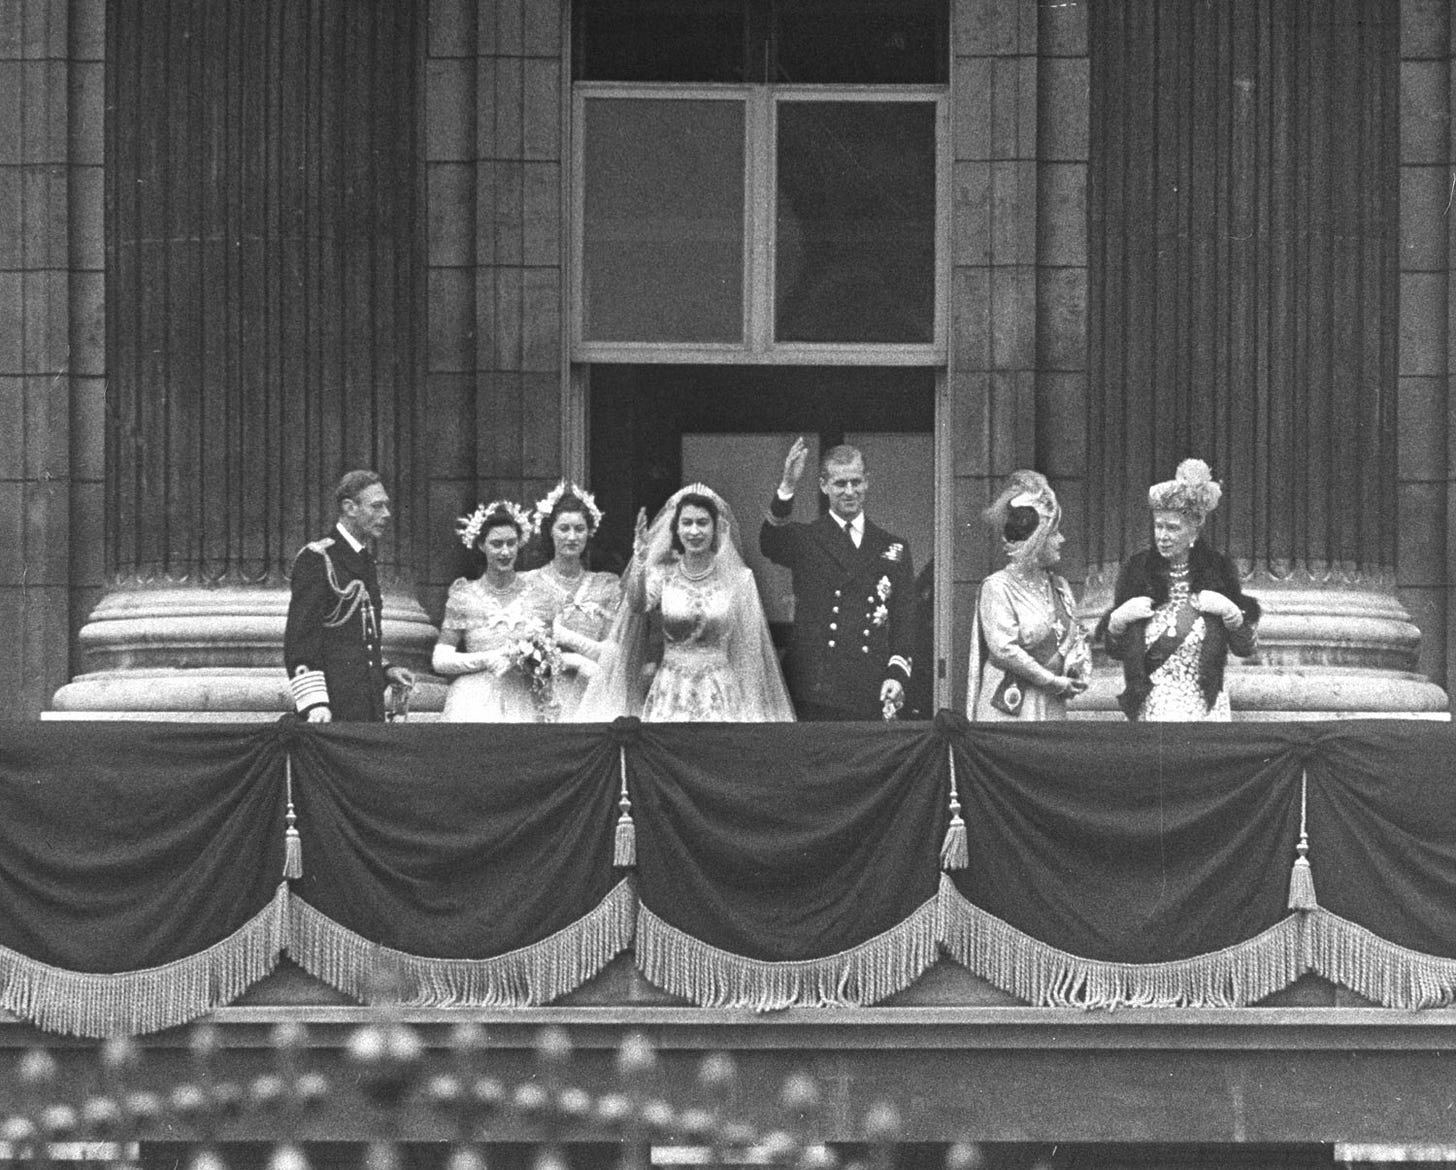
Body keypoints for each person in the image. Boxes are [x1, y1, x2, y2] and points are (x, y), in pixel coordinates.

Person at [579, 484, 795, 723]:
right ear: (677, 529)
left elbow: (751, 647)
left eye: (702, 522)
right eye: (687, 523)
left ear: (716, 528)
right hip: (672, 689)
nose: (694, 531)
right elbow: (638, 605)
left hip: (719, 691)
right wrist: (640, 561)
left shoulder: (739, 580)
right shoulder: (663, 575)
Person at [759, 438, 916, 721]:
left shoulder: (893, 547)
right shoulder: (806, 538)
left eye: (856, 482)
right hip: (813, 685)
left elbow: (905, 620)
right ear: (824, 486)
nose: (849, 491)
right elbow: (769, 543)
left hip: (869, 683)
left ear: (867, 482)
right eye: (840, 484)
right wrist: (788, 486)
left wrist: (897, 674)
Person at [1098, 458, 1261, 721]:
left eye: (1172, 528)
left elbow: (1245, 648)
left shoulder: (1217, 571)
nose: (1162, 536)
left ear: (1194, 531)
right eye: (1158, 526)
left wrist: (1233, 614)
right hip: (1152, 707)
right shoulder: (1137, 571)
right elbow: (1115, 650)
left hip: (1204, 707)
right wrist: (1116, 623)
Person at [284, 470, 416, 722]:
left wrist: (386, 670)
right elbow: (300, 640)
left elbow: (358, 638)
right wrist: (316, 704)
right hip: (332, 709)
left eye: (386, 506)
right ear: (349, 507)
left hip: (368, 707)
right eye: (377, 506)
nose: (386, 514)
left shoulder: (364, 560)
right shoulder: (318, 559)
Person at [966, 471, 1091, 721]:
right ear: (1037, 540)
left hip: (1051, 703)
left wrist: (1077, 668)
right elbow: (1004, 650)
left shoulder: (1061, 586)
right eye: (1054, 533)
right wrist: (1054, 682)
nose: (1062, 540)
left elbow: (1077, 633)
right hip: (1010, 707)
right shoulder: (998, 587)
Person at [432, 500, 550, 723]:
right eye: (496, 544)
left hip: (522, 700)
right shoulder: (464, 596)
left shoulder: (538, 596)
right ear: (481, 545)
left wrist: (525, 658)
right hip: (472, 701)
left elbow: (549, 656)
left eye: (511, 543)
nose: (505, 551)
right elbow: (440, 659)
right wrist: (488, 659)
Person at [520, 482, 623, 721]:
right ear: (550, 531)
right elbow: (522, 649)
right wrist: (571, 660)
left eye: (579, 529)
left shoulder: (606, 585)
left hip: (592, 691)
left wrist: (566, 639)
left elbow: (613, 652)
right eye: (564, 528)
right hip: (541, 693)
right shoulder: (528, 583)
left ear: (589, 532)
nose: (572, 537)